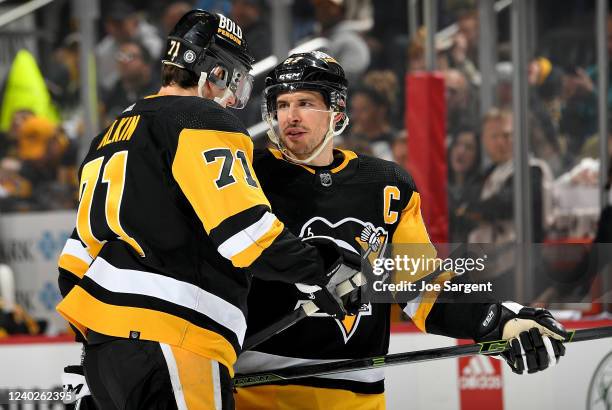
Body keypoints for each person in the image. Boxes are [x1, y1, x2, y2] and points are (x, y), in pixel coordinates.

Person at [233, 51, 569, 409]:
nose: (291, 116)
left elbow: (422, 288)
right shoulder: (248, 174)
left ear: (337, 110)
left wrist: (498, 320)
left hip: (359, 397)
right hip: (256, 394)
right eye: (282, 104)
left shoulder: (386, 185)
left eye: (305, 102)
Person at [56, 11, 356, 409]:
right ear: (211, 73)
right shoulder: (200, 118)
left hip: (103, 353)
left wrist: (103, 346)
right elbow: (246, 235)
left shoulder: (108, 136)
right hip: (176, 341)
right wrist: (325, 268)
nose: (231, 98)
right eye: (231, 81)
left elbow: (74, 263)